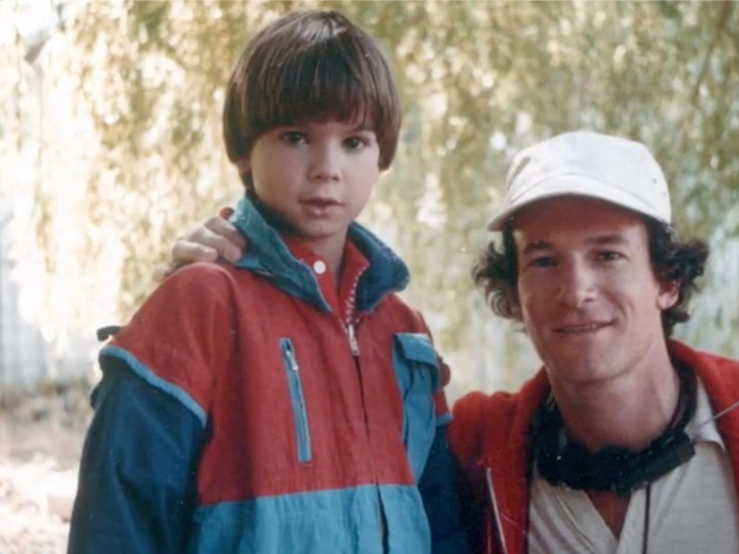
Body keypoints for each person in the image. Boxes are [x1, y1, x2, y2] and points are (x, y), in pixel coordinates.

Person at [168, 131, 739, 553]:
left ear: (667, 280)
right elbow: (313, 459)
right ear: (514, 296)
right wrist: (241, 279)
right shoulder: (472, 450)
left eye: (608, 255)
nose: (577, 290)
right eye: (543, 261)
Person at [68, 10, 468, 554]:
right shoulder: (201, 301)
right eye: (296, 136)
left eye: (355, 142)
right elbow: (120, 518)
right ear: (242, 149)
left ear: (383, 157)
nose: (328, 168)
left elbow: (441, 518)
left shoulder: (404, 331)